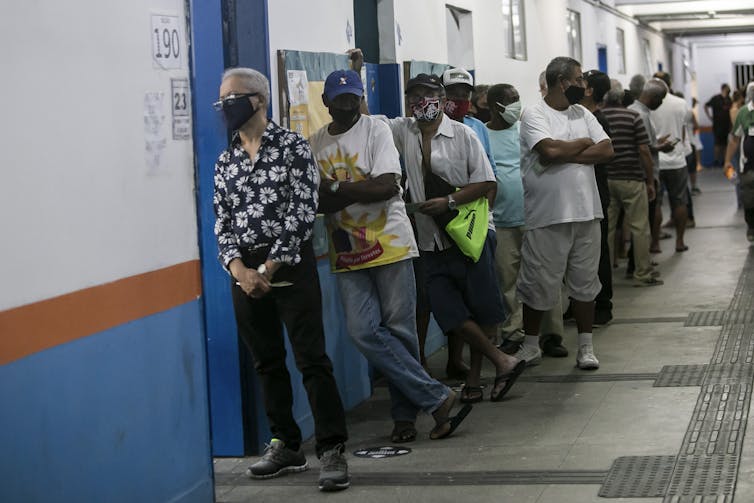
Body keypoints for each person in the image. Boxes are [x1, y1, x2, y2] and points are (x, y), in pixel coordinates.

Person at [310, 69, 473, 443]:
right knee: (362, 332)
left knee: (401, 333)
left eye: (353, 98)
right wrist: (357, 188)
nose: (347, 105)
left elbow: (386, 186)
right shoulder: (315, 142)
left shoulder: (376, 130)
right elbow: (317, 200)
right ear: (326, 103)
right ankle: (436, 397)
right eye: (339, 99)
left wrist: (335, 186)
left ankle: (404, 418)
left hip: (392, 242)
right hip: (347, 251)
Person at [212, 68, 349, 491]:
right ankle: (286, 444)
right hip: (245, 275)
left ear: (258, 99)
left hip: (288, 266)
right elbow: (222, 223)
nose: (225, 106)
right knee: (266, 361)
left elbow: (301, 213)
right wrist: (240, 271)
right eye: (222, 100)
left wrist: (268, 269)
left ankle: (331, 449)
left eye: (232, 97)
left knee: (311, 359)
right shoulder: (226, 160)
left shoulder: (292, 147)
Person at [355, 65, 526, 402]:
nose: (423, 102)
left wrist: (449, 201)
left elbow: (487, 182)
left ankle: (476, 380)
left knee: (479, 308)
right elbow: (365, 121)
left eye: (429, 96)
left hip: (470, 234)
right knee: (448, 311)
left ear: (442, 99)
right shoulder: (403, 131)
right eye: (415, 97)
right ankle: (503, 361)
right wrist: (355, 73)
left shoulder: (464, 135)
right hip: (429, 241)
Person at [515, 56, 614, 369]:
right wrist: (583, 144)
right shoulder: (534, 113)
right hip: (548, 215)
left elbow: (607, 150)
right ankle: (531, 345)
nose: (584, 86)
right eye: (579, 79)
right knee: (538, 282)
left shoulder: (582, 112)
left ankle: (585, 347)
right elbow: (549, 151)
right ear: (562, 82)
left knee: (585, 282)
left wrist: (568, 153)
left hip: (587, 213)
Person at [486, 83, 568, 361]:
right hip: (501, 220)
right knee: (507, 280)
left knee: (546, 276)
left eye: (518, 99)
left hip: (536, 215)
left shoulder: (525, 130)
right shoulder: (482, 134)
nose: (517, 105)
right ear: (495, 105)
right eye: (511, 100)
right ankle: (513, 333)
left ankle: (551, 335)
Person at [601, 82, 663, 287]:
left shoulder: (598, 117)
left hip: (607, 179)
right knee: (639, 227)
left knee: (608, 229)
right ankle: (642, 273)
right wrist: (649, 180)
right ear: (621, 98)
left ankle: (606, 275)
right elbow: (644, 151)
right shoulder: (633, 117)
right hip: (632, 179)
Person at [580, 69, 615, 326]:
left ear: (590, 90)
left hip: (596, 192)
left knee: (598, 251)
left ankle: (603, 304)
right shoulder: (577, 116)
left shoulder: (597, 119)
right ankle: (579, 304)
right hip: (577, 193)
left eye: (582, 82)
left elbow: (601, 152)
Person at [627, 78, 674, 267]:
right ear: (652, 97)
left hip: (640, 172)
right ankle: (638, 263)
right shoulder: (641, 114)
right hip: (645, 174)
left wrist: (656, 143)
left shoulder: (636, 111)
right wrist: (649, 179)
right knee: (643, 223)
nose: (661, 103)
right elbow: (644, 149)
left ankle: (637, 260)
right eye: (660, 99)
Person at [652, 72, 691, 253]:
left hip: (656, 160)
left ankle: (655, 242)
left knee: (656, 203)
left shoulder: (649, 104)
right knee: (679, 201)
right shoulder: (680, 103)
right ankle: (680, 242)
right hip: (677, 160)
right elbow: (683, 130)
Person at [724, 82, 754, 242]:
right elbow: (735, 139)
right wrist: (728, 161)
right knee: (749, 199)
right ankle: (751, 226)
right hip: (748, 166)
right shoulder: (743, 112)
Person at [705, 83, 732, 166]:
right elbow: (706, 106)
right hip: (717, 125)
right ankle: (716, 160)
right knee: (717, 143)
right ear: (723, 89)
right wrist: (709, 116)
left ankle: (724, 160)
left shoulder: (729, 99)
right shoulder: (716, 98)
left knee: (725, 144)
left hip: (726, 125)